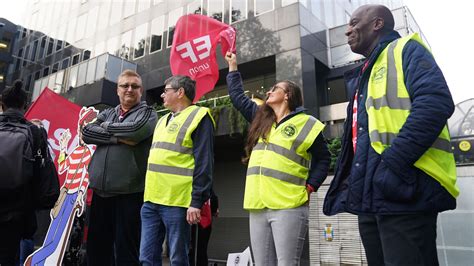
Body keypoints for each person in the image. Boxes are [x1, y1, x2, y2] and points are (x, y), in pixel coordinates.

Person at [323, 4, 459, 266]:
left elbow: (435, 103)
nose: (347, 31)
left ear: (377, 24)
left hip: (406, 190)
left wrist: (392, 165)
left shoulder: (406, 49)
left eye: (353, 22)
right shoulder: (365, 71)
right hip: (374, 195)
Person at [225, 52, 330, 265]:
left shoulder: (307, 123)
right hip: (257, 204)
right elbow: (237, 97)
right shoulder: (260, 119)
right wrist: (233, 67)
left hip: (288, 205)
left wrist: (310, 187)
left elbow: (324, 159)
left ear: (288, 95)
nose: (269, 91)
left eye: (275, 89)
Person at [82, 70, 157, 265]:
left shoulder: (148, 113)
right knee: (97, 249)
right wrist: (117, 137)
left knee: (126, 253)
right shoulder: (109, 112)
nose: (129, 89)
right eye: (125, 85)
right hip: (100, 193)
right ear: (117, 90)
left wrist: (105, 128)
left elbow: (135, 131)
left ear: (141, 91)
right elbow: (87, 132)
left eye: (135, 86)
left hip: (130, 193)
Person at [140, 75, 215, 266]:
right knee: (146, 259)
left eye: (166, 90)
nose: (162, 95)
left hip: (177, 201)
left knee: (178, 259)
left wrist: (196, 201)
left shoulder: (199, 116)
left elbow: (204, 163)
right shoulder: (161, 120)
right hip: (151, 200)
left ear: (180, 92)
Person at [25, 107, 98, 265]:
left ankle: (35, 260)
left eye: (86, 131)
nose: (82, 134)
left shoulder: (92, 152)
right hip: (65, 195)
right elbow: (63, 166)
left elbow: (87, 175)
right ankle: (38, 261)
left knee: (64, 238)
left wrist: (80, 195)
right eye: (81, 130)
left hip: (76, 198)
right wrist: (64, 147)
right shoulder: (77, 150)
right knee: (53, 235)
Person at [0, 80, 51, 265]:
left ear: (1, 104)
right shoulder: (34, 132)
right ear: (25, 106)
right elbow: (43, 178)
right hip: (17, 214)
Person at [189, 189, 219, 266]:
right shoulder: (206, 182)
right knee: (201, 250)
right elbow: (213, 198)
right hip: (204, 222)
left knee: (191, 250)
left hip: (194, 220)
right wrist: (215, 210)